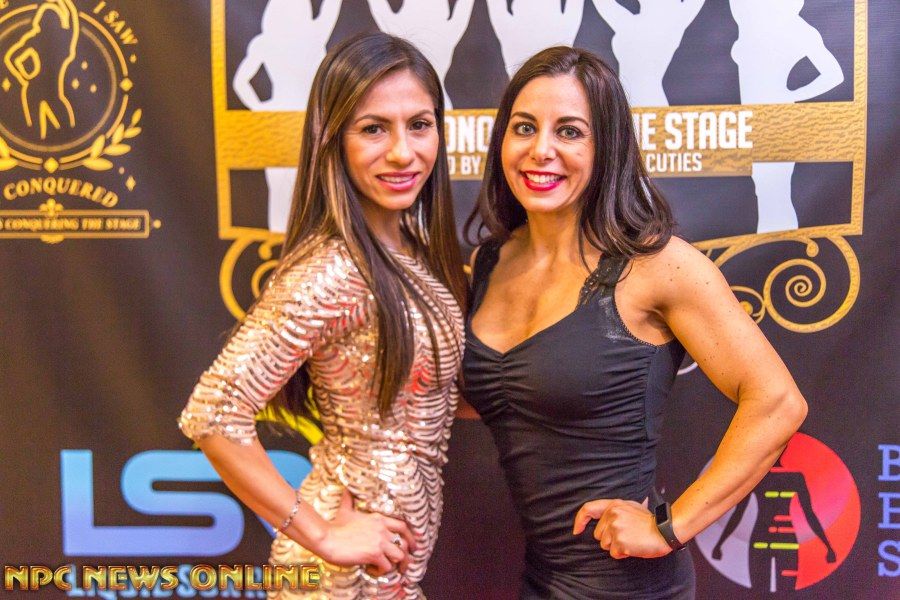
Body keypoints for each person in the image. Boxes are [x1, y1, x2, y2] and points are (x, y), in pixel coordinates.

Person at [460, 46, 807, 599]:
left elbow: (778, 403)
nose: (541, 150)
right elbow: (510, 394)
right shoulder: (487, 263)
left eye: (569, 132)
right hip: (540, 579)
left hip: (627, 585)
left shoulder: (656, 266)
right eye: (524, 127)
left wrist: (670, 527)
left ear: (607, 147)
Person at [179, 32, 467, 598]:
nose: (403, 152)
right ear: (332, 140)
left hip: (389, 572)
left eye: (419, 124)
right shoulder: (336, 270)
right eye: (373, 129)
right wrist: (324, 537)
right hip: (343, 578)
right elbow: (213, 413)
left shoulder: (409, 249)